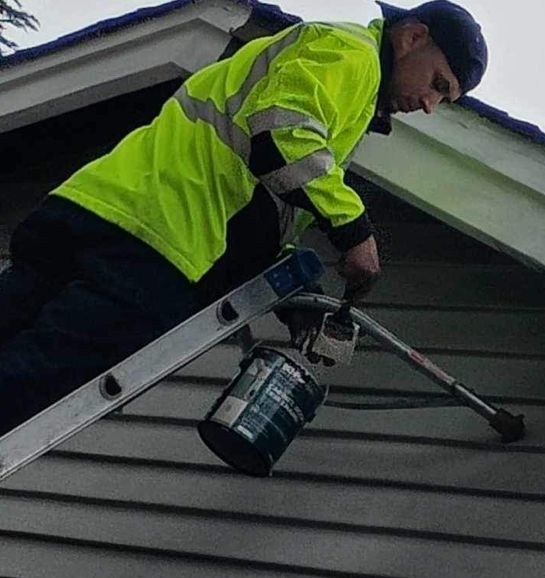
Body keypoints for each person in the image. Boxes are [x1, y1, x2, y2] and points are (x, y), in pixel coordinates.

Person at [0, 1, 487, 434]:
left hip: (95, 206)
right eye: (437, 83)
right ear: (413, 37)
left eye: (444, 100)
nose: (428, 104)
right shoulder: (352, 54)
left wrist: (291, 298)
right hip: (157, 242)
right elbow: (279, 137)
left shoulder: (326, 70)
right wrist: (356, 232)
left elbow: (255, 190)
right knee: (45, 371)